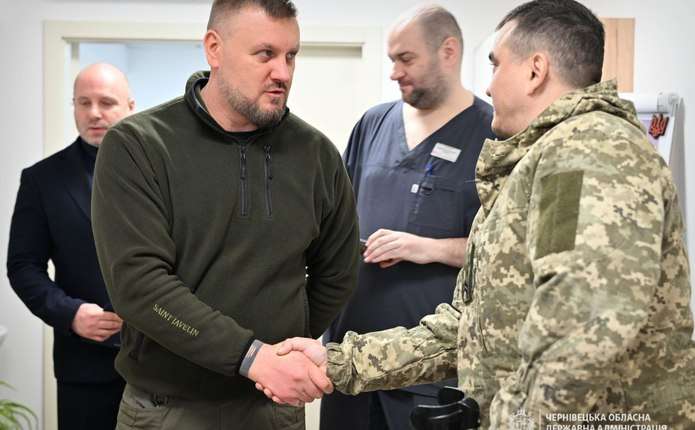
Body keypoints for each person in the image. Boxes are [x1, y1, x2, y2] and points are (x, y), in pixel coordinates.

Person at [266, 0, 695, 428]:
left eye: (496, 65)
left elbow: (581, 332)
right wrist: (341, 361)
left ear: (535, 71)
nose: (488, 87)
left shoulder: (588, 154)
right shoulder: (546, 159)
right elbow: (474, 325)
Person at [90, 0, 359, 429]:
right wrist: (252, 357)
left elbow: (338, 272)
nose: (283, 72)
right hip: (167, 409)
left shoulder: (317, 154)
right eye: (265, 54)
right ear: (214, 49)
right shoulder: (138, 145)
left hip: (272, 409)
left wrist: (284, 346)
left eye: (291, 56)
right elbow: (139, 285)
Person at [321, 5, 494, 430]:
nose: (395, 72)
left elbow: (508, 252)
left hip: (430, 376)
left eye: (406, 59)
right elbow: (334, 220)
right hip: (351, 362)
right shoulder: (373, 124)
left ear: (448, 52)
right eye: (391, 59)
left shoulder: (492, 134)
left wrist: (427, 248)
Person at [7, 63, 134, 430]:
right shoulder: (41, 179)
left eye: (106, 102)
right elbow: (23, 266)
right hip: (84, 368)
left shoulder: (162, 171)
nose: (94, 113)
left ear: (130, 106)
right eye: (83, 102)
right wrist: (70, 313)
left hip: (163, 364)